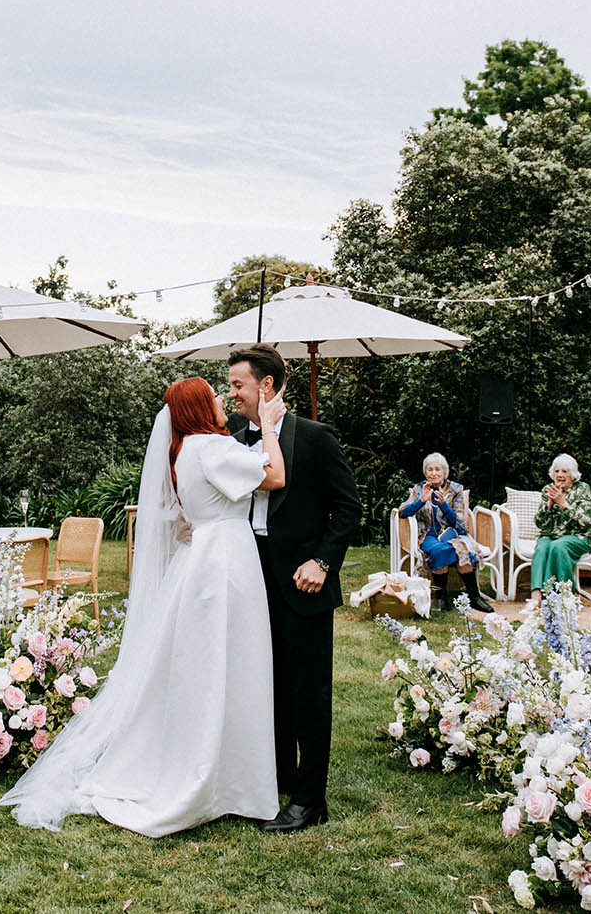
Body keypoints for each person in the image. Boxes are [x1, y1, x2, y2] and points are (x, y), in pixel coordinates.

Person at [2, 377, 287, 835]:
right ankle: (225, 781)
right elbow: (274, 477)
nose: (221, 399)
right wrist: (269, 426)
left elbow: (181, 516)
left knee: (209, 665)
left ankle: (226, 774)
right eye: (213, 395)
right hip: (226, 563)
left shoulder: (184, 451)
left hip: (203, 558)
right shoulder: (213, 448)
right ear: (198, 407)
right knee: (231, 664)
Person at [225, 344, 361, 832]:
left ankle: (310, 800)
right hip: (250, 575)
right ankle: (278, 777)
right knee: (266, 681)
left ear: (266, 385)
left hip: (303, 582)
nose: (231, 394)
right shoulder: (233, 436)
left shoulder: (315, 438)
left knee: (308, 691)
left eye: (238, 384)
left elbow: (348, 509)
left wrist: (322, 562)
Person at [398, 453, 491, 613]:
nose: (434, 473)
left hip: (453, 534)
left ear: (444, 472)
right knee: (443, 550)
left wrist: (443, 505)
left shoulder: (455, 489)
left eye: (437, 469)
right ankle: (442, 597)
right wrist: (421, 501)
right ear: (425, 472)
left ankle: (474, 597)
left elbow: (460, 524)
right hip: (428, 536)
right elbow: (402, 512)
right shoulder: (419, 489)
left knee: (462, 548)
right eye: (430, 469)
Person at [527, 454, 591, 603]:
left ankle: (563, 595)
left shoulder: (582, 489)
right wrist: (550, 504)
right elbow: (539, 523)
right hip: (550, 535)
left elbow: (585, 521)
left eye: (564, 471)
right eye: (557, 471)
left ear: (573, 474)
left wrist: (563, 504)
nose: (559, 475)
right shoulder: (548, 489)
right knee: (542, 547)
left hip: (578, 536)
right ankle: (536, 596)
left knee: (558, 546)